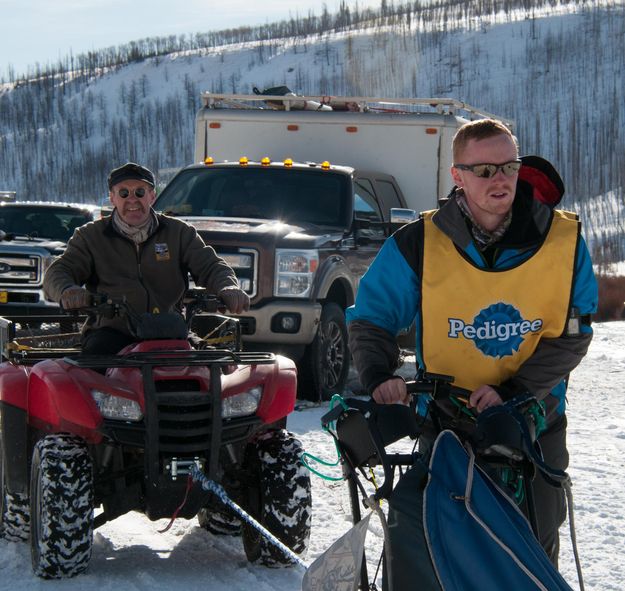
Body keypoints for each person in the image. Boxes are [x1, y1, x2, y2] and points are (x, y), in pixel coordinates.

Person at [347, 119, 598, 586]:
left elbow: (573, 334)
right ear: (457, 176)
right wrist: (380, 374)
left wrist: (516, 391)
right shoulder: (420, 243)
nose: (499, 178)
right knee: (437, 548)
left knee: (529, 554)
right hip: (446, 427)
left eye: (508, 166)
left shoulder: (562, 241)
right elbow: (372, 315)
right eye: (483, 169)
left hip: (533, 423)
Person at [44, 162, 249, 354]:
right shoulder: (90, 236)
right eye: (124, 193)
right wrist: (67, 290)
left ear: (151, 196)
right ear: (112, 198)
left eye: (139, 192)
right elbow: (60, 271)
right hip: (112, 333)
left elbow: (211, 266)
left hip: (170, 330)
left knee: (208, 369)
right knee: (96, 370)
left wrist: (227, 287)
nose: (132, 199)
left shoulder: (178, 232)